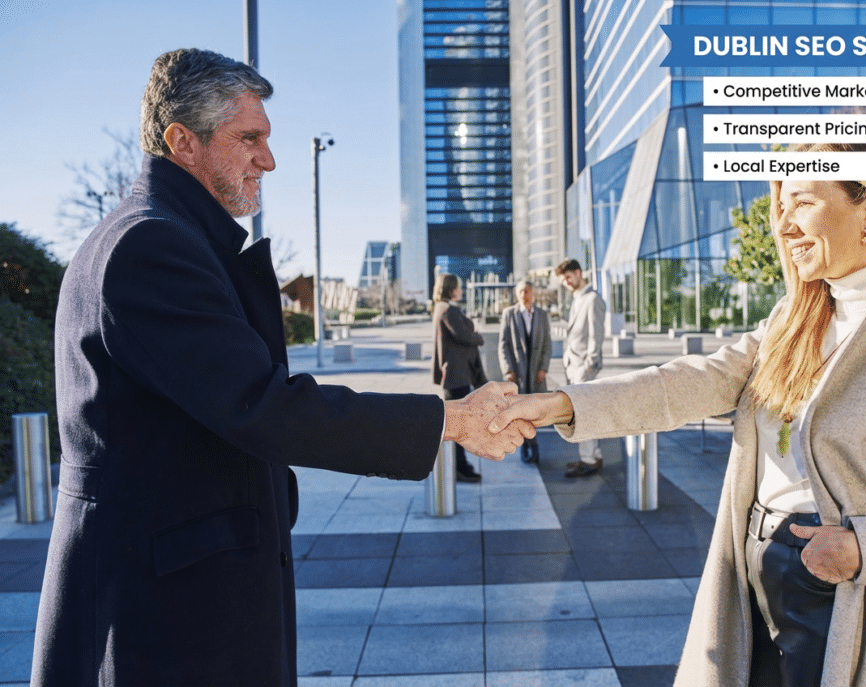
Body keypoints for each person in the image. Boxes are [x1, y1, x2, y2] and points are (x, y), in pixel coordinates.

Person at [33, 48, 531, 687]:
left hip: (173, 598)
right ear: (181, 141)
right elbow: (265, 406)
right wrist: (451, 420)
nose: (267, 159)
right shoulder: (149, 245)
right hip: (161, 619)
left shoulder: (158, 236)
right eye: (248, 139)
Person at [491, 143, 866, 687]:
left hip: (851, 601)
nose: (784, 227)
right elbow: (687, 383)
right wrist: (560, 403)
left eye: (803, 203)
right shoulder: (790, 319)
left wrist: (864, 549)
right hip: (752, 579)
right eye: (781, 208)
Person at [432, 273, 488, 482]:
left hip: (457, 374)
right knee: (459, 424)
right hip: (457, 376)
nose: (461, 290)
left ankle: (458, 465)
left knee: (457, 422)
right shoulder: (448, 310)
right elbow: (463, 335)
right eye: (458, 286)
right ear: (450, 289)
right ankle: (460, 467)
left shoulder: (442, 308)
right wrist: (479, 337)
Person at [554, 258, 606, 477]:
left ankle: (589, 459)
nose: (565, 282)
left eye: (567, 277)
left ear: (578, 273)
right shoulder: (578, 299)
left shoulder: (592, 299)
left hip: (584, 368)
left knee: (583, 414)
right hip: (573, 366)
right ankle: (592, 455)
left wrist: (589, 366)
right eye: (563, 279)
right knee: (584, 413)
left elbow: (597, 335)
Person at [498, 280, 552, 463]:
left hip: (536, 372)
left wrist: (544, 368)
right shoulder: (509, 314)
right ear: (517, 294)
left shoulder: (542, 315)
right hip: (517, 374)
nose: (524, 295)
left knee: (534, 413)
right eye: (521, 291)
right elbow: (503, 345)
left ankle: (531, 447)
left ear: (533, 293)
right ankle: (529, 449)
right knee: (519, 412)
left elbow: (547, 344)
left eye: (527, 291)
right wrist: (508, 370)